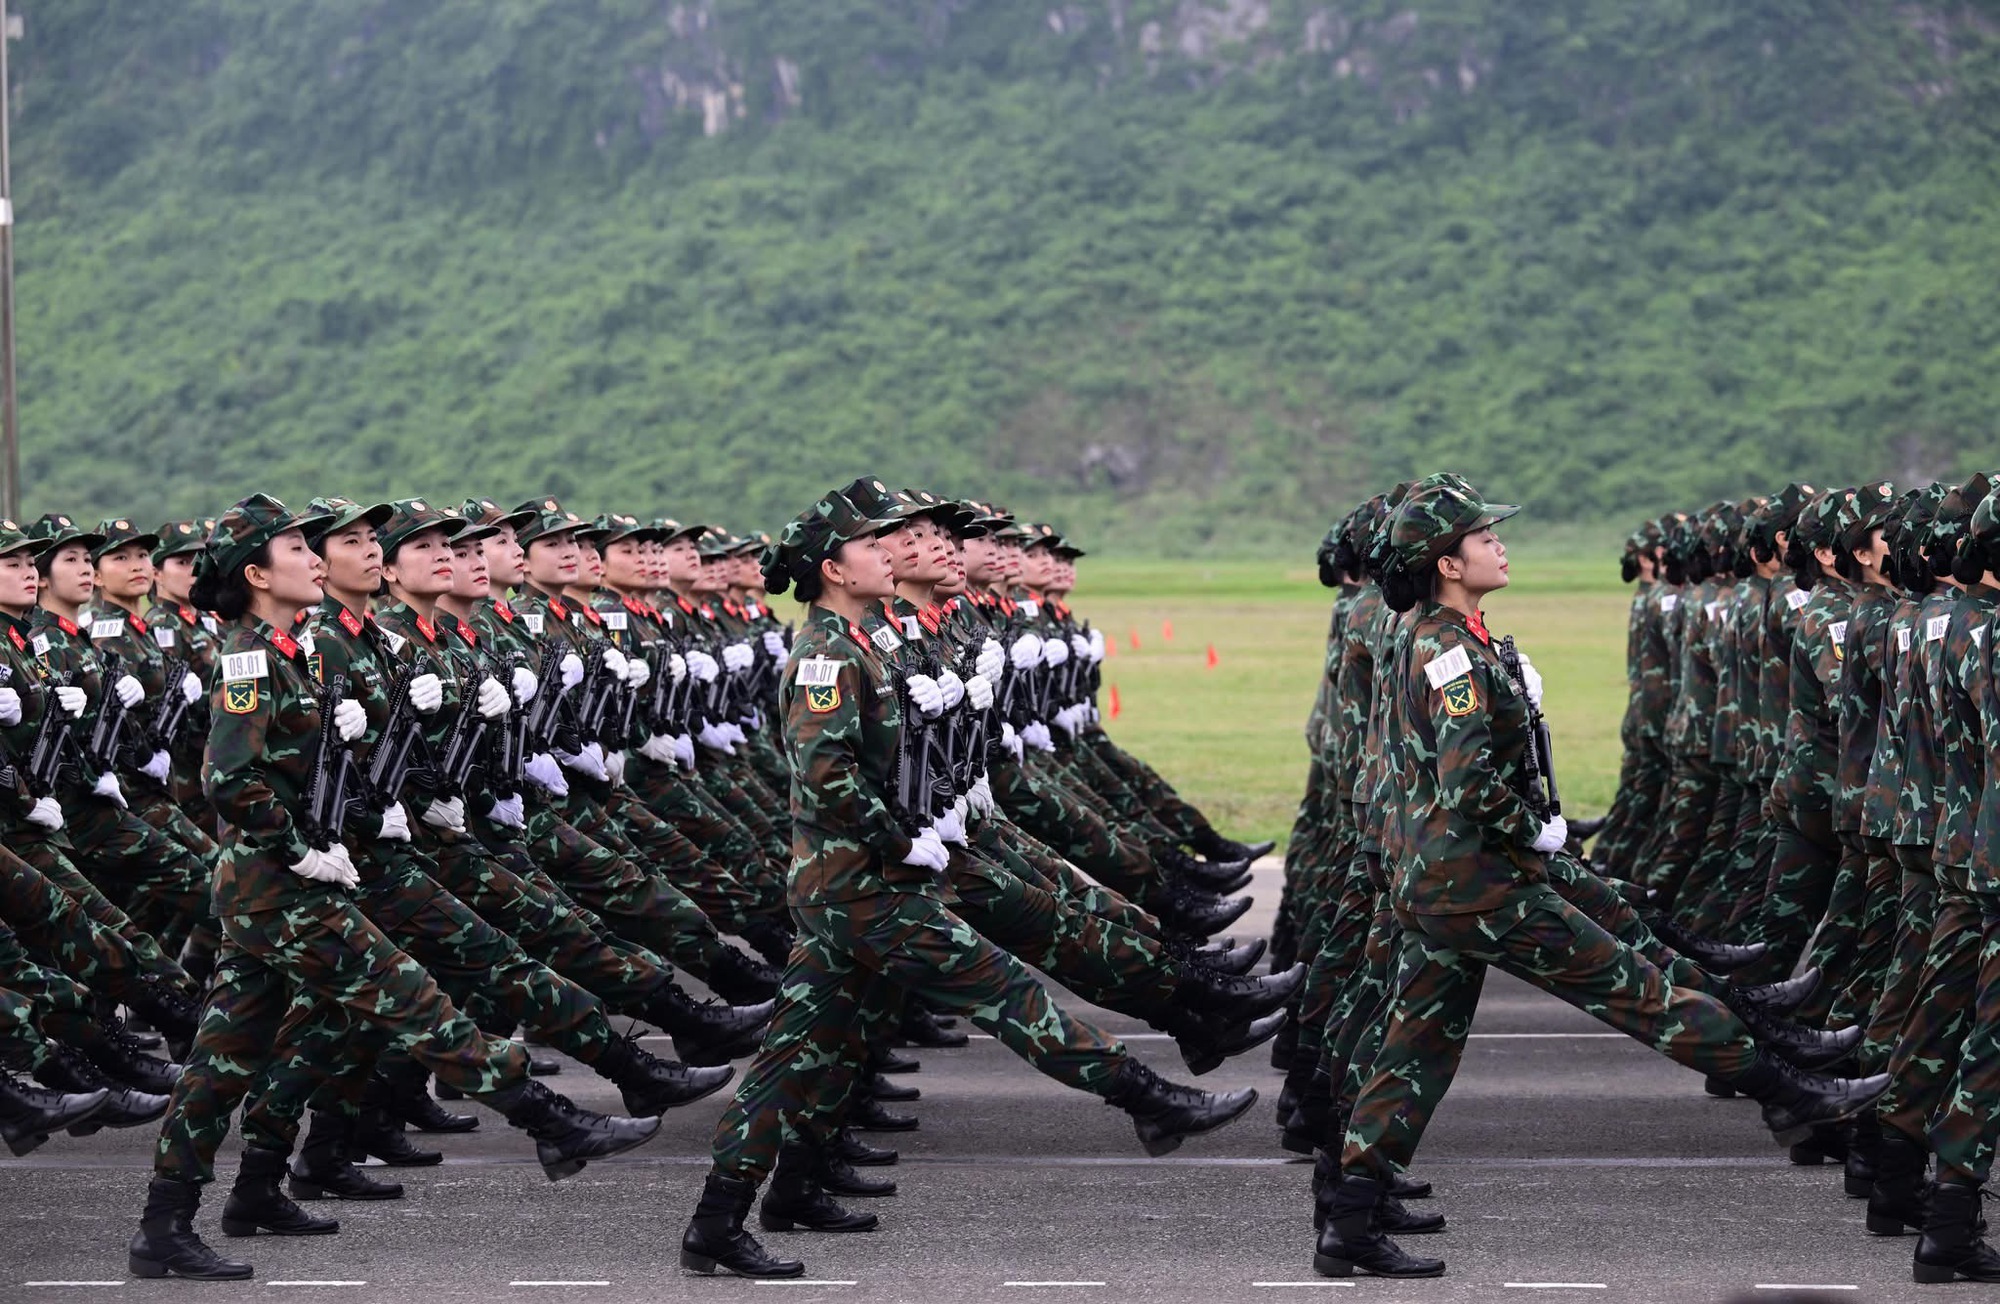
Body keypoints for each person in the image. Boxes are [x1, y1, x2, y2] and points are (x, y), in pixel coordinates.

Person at [1313, 474, 1890, 1280]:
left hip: (1444, 881)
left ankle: (1350, 1219)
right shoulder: (1446, 648)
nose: (1498, 544)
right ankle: (1790, 1094)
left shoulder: (1446, 637)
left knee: (1417, 1048)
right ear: (1447, 563)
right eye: (1483, 537)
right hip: (1479, 885)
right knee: (1639, 994)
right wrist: (1533, 826)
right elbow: (1468, 783)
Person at [676, 488, 1256, 1280]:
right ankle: (1150, 1101)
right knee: (1009, 993)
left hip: (865, 883)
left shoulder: (871, 643)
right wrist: (902, 837)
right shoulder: (826, 656)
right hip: (865, 887)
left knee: (808, 1052)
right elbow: (823, 781)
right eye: (871, 545)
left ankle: (748, 1209)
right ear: (832, 570)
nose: (888, 552)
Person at [125, 494, 662, 1282]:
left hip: (279, 888)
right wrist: (303, 850)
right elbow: (229, 780)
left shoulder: (293, 651)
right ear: (256, 575)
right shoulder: (248, 658)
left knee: (225, 1061)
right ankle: (550, 1121)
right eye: (299, 552)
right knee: (417, 1002)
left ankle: (192, 1215)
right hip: (282, 889)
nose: (314, 561)